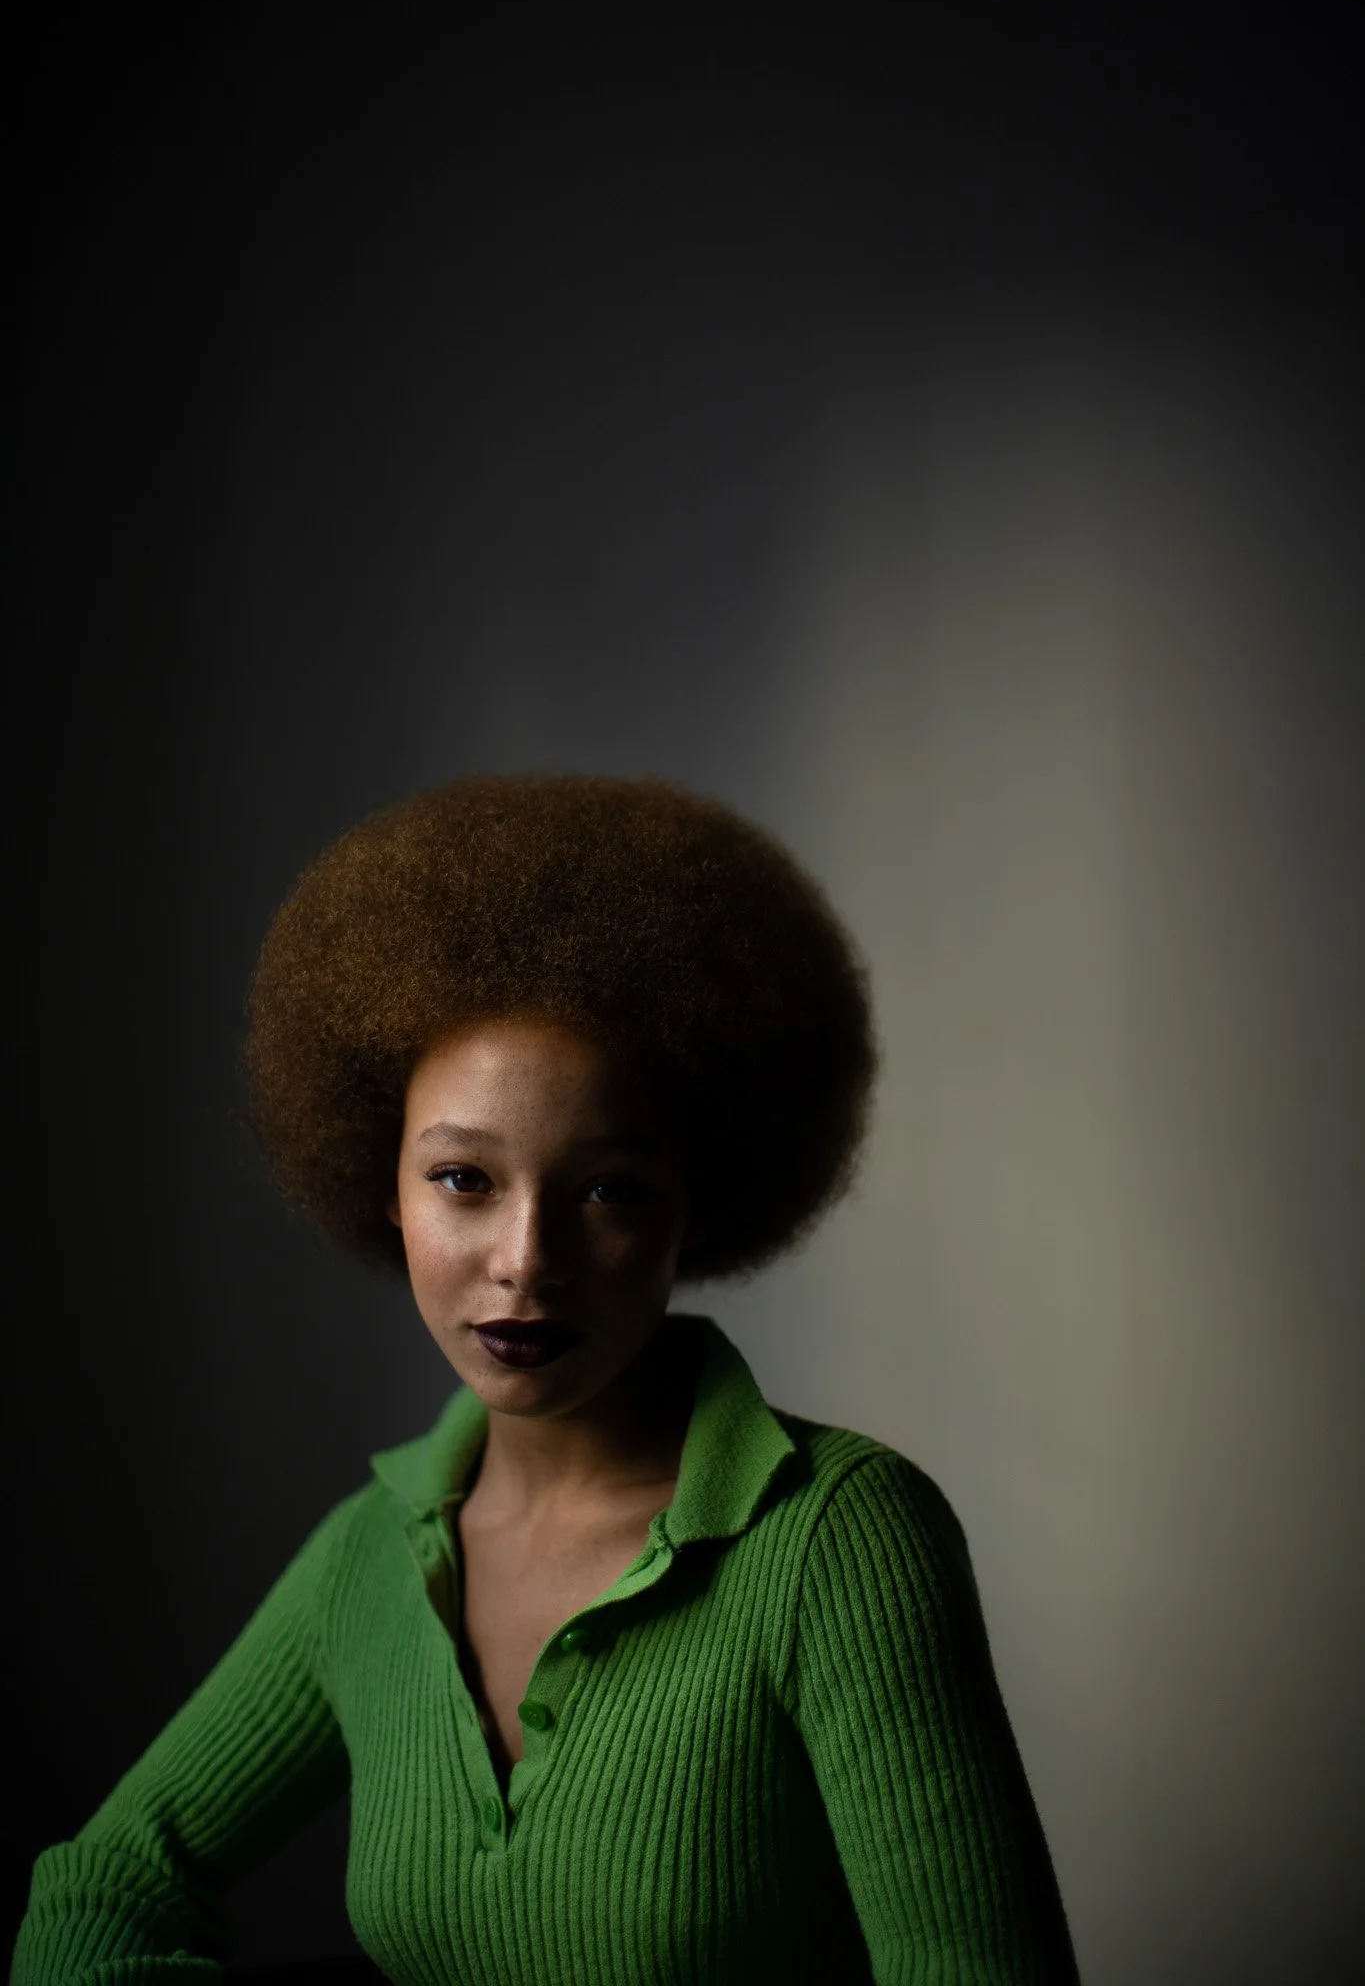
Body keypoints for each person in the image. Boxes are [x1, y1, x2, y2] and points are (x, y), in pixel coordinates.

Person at [12, 775, 1079, 1984]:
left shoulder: (837, 1540)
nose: (526, 1261)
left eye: (607, 1188)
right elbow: (99, 1894)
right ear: (384, 1183)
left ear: (696, 1200)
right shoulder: (372, 1559)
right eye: (464, 1178)